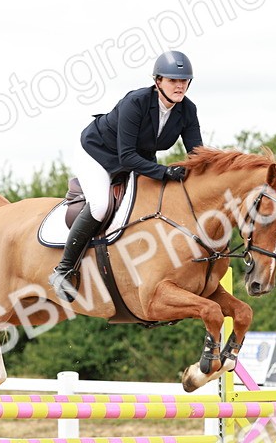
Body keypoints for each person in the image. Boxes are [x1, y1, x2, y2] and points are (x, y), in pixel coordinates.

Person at [48, 50, 204, 302]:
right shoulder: (136, 102)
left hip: (137, 157)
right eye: (173, 80)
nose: (179, 85)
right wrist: (165, 172)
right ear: (158, 81)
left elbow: (197, 154)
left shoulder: (187, 110)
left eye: (184, 80)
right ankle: (63, 270)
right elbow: (127, 157)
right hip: (98, 153)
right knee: (100, 205)